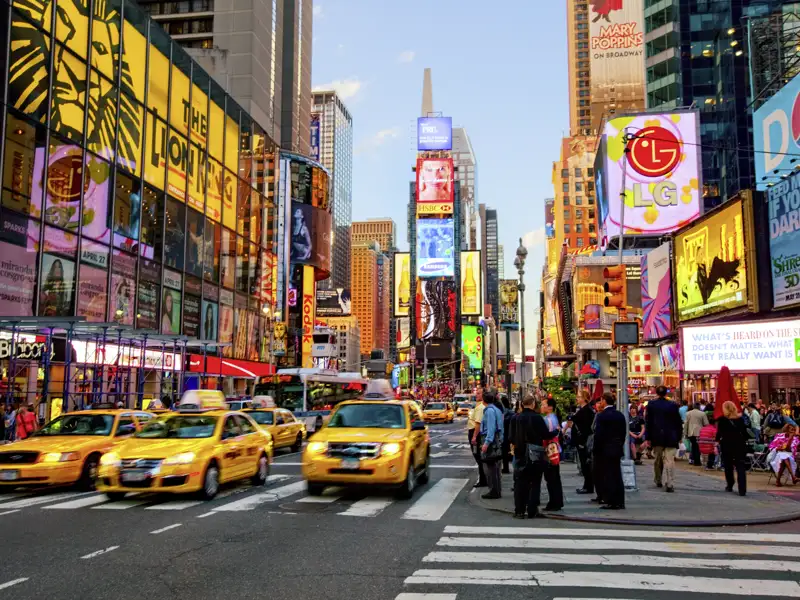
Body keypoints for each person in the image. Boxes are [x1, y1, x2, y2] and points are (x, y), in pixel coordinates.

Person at [510, 395, 551, 518]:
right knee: (535, 482)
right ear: (533, 404)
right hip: (535, 453)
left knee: (519, 482)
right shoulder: (537, 418)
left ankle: (519, 510)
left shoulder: (516, 418)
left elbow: (510, 437)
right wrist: (556, 432)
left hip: (519, 453)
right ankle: (532, 509)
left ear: (522, 404)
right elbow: (545, 435)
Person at [592, 392, 626, 509]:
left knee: (608, 475)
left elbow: (599, 435)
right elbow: (623, 433)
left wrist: (596, 449)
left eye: (601, 400)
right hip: (616, 448)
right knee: (617, 475)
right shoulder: (620, 415)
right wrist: (619, 444)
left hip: (605, 449)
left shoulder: (602, 416)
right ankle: (620, 500)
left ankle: (612, 500)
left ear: (604, 401)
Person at [646, 385, 683, 492]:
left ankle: (658, 479)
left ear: (656, 393)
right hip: (671, 436)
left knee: (657, 459)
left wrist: (648, 437)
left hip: (656, 436)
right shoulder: (673, 405)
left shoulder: (651, 405)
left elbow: (649, 422)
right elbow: (678, 422)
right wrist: (679, 436)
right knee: (669, 460)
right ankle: (670, 482)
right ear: (666, 393)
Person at [716, 401, 749, 495]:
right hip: (739, 444)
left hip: (727, 445)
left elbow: (719, 433)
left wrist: (717, 441)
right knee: (740, 466)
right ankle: (742, 489)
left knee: (728, 466)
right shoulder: (740, 419)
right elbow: (745, 433)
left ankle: (730, 484)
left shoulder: (722, 420)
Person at [479, 390, 504, 499]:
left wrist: (486, 443)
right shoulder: (497, 410)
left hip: (491, 441)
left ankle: (494, 490)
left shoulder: (489, 411)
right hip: (497, 440)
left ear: (484, 400)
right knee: (496, 467)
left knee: (491, 468)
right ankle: (496, 490)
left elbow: (491, 428)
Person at [541, 398, 564, 511]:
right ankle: (557, 501)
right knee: (555, 477)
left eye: (544, 404)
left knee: (551, 478)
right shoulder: (553, 418)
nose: (542, 406)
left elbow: (547, 435)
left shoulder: (548, 419)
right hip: (555, 450)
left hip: (550, 451)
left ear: (550, 407)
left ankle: (554, 502)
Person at [572, 390, 595, 495]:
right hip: (580, 441)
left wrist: (582, 441)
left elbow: (586, 428)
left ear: (584, 398)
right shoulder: (583, 410)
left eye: (579, 396)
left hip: (583, 442)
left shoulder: (587, 411)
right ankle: (587, 485)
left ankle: (588, 486)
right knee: (584, 464)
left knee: (586, 464)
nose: (577, 398)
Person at [468, 387, 487, 488]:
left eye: (479, 393)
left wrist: (474, 436)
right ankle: (483, 479)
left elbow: (478, 424)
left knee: (479, 457)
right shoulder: (479, 406)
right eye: (477, 393)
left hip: (475, 433)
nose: (477, 395)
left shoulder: (480, 408)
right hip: (475, 432)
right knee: (479, 457)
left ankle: (483, 480)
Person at [683, 402, 709, 466]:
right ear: (699, 407)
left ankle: (693, 459)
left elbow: (686, 424)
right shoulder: (702, 414)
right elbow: (706, 424)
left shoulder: (688, 413)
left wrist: (685, 433)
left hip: (691, 432)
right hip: (699, 432)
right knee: (697, 447)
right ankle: (697, 461)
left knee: (694, 446)